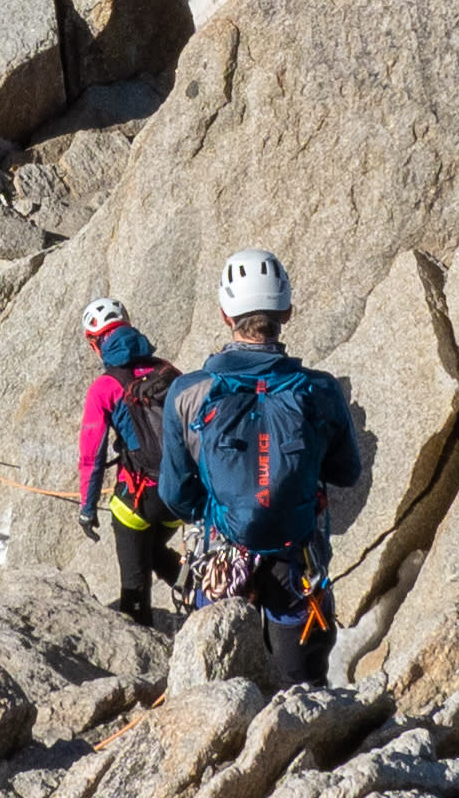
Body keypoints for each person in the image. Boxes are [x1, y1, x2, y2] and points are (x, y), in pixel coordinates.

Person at [165, 248, 364, 682]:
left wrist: (221, 503)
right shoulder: (320, 389)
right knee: (300, 687)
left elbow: (175, 495)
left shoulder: (187, 392)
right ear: (286, 311)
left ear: (224, 314)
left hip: (222, 553)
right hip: (297, 554)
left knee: (216, 684)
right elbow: (347, 471)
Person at [72, 292, 183, 621]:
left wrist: (87, 508)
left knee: (134, 584)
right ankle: (192, 584)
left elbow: (91, 456)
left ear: (95, 343)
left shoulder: (104, 387)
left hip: (140, 497)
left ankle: (141, 650)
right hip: (180, 495)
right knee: (153, 550)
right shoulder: (168, 370)